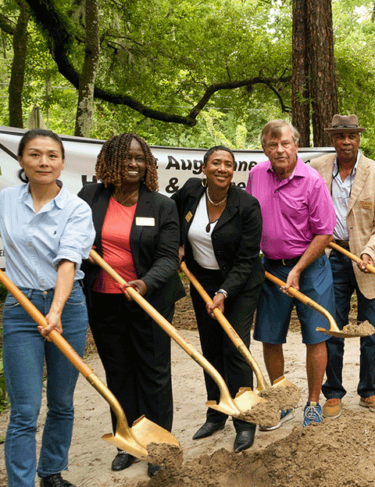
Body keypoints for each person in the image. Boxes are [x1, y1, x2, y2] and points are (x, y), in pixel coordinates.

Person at [78, 133, 185, 478]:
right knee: (119, 372)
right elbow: (76, 241)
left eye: (140, 159)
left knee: (153, 372)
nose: (134, 164)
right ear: (111, 161)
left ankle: (158, 445)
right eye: (127, 158)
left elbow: (169, 258)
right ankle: (129, 440)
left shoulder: (161, 205)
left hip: (149, 299)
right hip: (104, 298)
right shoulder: (90, 197)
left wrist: (145, 282)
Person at [1, 130, 94, 487]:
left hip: (67, 307)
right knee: (24, 410)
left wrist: (55, 311)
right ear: (22, 160)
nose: (44, 162)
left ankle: (51, 472)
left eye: (52, 156)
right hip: (20, 307)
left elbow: (68, 261)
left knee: (61, 401)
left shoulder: (76, 208)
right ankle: (20, 483)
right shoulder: (6, 200)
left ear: (63, 162)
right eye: (36, 155)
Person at [171, 146, 264, 452]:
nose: (222, 168)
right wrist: (178, 245)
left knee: (235, 347)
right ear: (204, 168)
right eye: (216, 163)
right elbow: (170, 219)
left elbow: (246, 259)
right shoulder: (189, 193)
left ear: (233, 171)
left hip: (240, 282)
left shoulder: (247, 205)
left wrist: (224, 293)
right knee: (211, 347)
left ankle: (245, 420)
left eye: (228, 164)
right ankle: (216, 412)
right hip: (203, 281)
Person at [246, 119, 335, 428]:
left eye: (285, 143)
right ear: (264, 148)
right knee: (270, 337)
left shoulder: (312, 181)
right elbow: (249, 221)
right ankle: (282, 402)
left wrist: (297, 270)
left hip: (310, 269)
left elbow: (325, 233)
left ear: (296, 145)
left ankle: (313, 402)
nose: (280, 150)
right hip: (270, 268)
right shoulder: (256, 175)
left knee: (316, 336)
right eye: (273, 145)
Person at [309, 114, 375, 417]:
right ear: (333, 139)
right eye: (340, 137)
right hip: (330, 258)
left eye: (352, 137)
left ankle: (369, 391)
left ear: (359, 139)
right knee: (334, 327)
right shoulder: (316, 169)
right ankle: (332, 393)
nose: (346, 142)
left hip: (370, 262)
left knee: (370, 329)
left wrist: (370, 252)